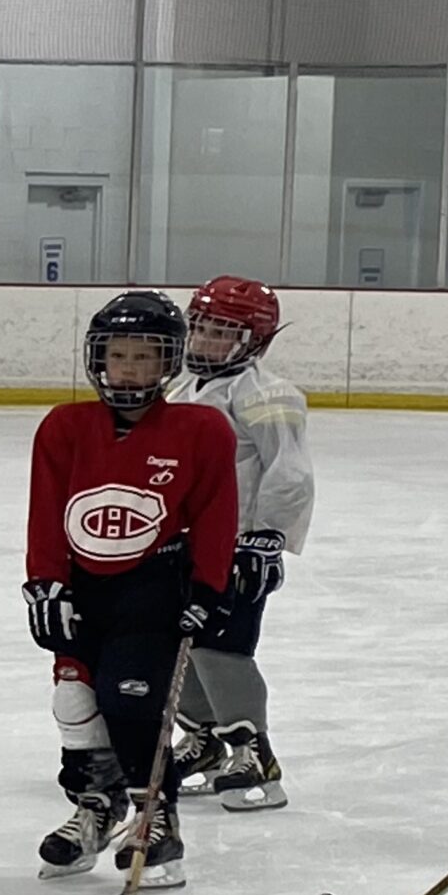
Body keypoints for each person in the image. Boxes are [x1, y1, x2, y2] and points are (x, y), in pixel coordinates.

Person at [24, 291, 239, 886]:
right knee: (74, 701)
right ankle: (96, 806)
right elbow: (46, 513)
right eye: (119, 356)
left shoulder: (201, 428)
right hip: (82, 589)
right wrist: (45, 584)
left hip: (153, 588)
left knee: (132, 700)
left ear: (168, 363)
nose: (130, 369)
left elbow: (219, 513)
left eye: (146, 357)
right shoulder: (64, 427)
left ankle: (155, 813)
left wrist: (207, 588)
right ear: (98, 358)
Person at [171, 276, 313, 812]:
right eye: (200, 327)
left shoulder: (269, 395)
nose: (204, 341)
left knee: (223, 648)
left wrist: (266, 537)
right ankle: (206, 740)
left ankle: (253, 751)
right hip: (185, 545)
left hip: (237, 547)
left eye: (221, 331)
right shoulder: (183, 390)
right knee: (181, 644)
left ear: (254, 340)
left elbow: (290, 471)